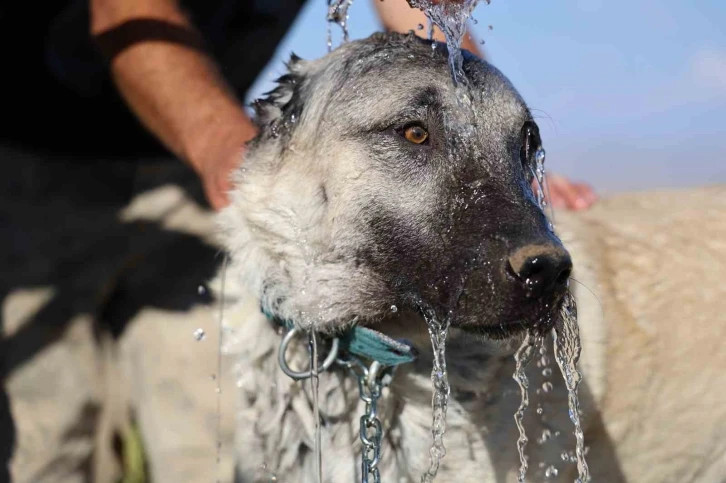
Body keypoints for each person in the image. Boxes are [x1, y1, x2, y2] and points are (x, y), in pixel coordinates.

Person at [0, 1, 595, 482]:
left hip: (187, 155)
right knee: (46, 444)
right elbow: (125, 9)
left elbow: (419, 10)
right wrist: (241, 159)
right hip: (36, 163)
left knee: (209, 449)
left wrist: (500, 163)